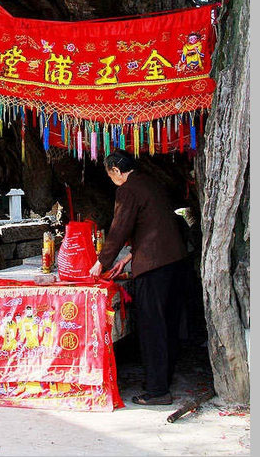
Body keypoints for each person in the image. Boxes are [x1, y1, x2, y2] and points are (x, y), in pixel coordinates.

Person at [89, 149, 188, 406]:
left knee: (151, 326)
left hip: (154, 267)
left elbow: (119, 228)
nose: (111, 179)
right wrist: (128, 258)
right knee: (167, 323)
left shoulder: (127, 190)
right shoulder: (149, 182)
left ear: (116, 172)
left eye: (110, 174)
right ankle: (161, 379)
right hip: (174, 260)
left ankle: (157, 391)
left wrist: (101, 263)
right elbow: (154, 225)